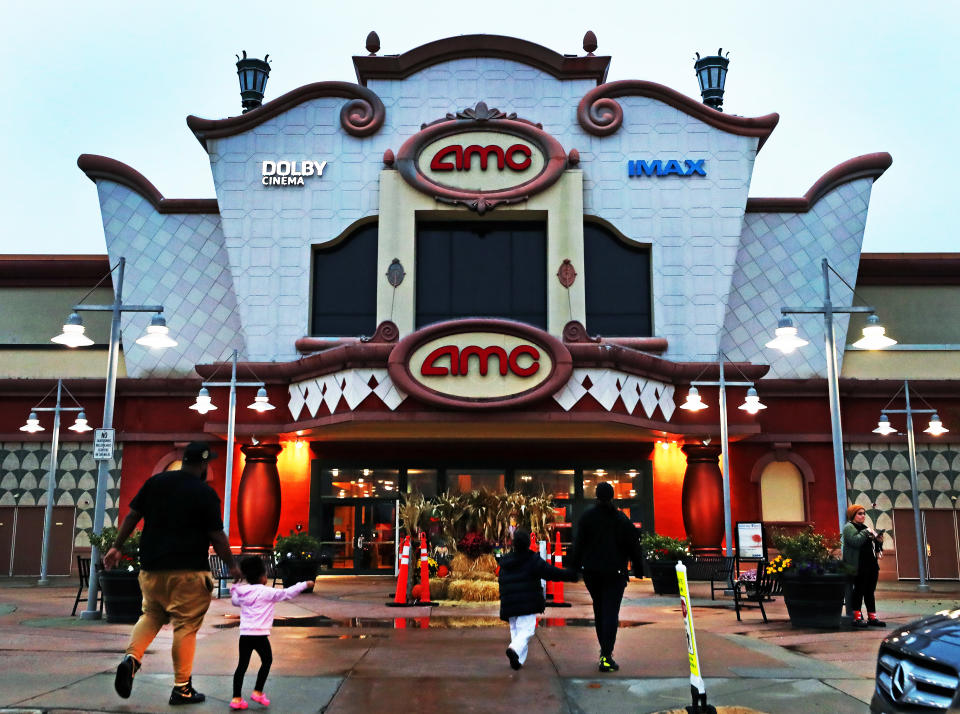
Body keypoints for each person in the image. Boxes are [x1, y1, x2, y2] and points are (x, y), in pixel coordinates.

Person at [105, 441, 241, 706]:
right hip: (188, 572)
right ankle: (182, 688)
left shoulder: (156, 483)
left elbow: (132, 516)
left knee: (151, 615)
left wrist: (116, 547)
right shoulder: (204, 493)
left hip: (152, 570)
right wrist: (231, 564)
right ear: (202, 464)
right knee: (185, 626)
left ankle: (131, 659)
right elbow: (216, 534)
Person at [568, 481, 643, 672]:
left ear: (596, 496)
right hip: (615, 573)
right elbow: (633, 545)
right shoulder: (620, 519)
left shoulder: (587, 518)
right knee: (610, 612)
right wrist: (639, 568)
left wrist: (574, 569)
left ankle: (604, 651)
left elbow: (578, 545)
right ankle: (606, 654)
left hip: (592, 572)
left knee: (599, 610)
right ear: (612, 496)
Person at [229, 555, 315, 709]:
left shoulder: (243, 592)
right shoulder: (268, 592)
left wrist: (235, 589)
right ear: (262, 576)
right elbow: (288, 593)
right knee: (267, 661)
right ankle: (258, 692)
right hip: (260, 636)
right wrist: (304, 584)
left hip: (245, 635)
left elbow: (235, 600)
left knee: (242, 666)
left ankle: (236, 699)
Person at [497, 527, 578, 670]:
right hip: (527, 603)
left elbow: (502, 581)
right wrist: (570, 575)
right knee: (527, 630)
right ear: (528, 543)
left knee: (516, 631)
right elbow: (551, 573)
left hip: (510, 604)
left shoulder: (505, 562)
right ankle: (514, 650)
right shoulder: (532, 559)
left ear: (513, 544)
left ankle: (518, 661)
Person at [842, 504, 886, 628]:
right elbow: (855, 542)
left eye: (864, 513)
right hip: (859, 565)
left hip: (871, 564)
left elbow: (871, 545)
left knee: (870, 592)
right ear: (853, 515)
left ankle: (872, 618)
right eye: (859, 513)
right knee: (859, 591)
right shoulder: (849, 527)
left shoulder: (865, 527)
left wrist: (878, 541)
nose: (863, 516)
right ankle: (857, 618)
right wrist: (866, 532)